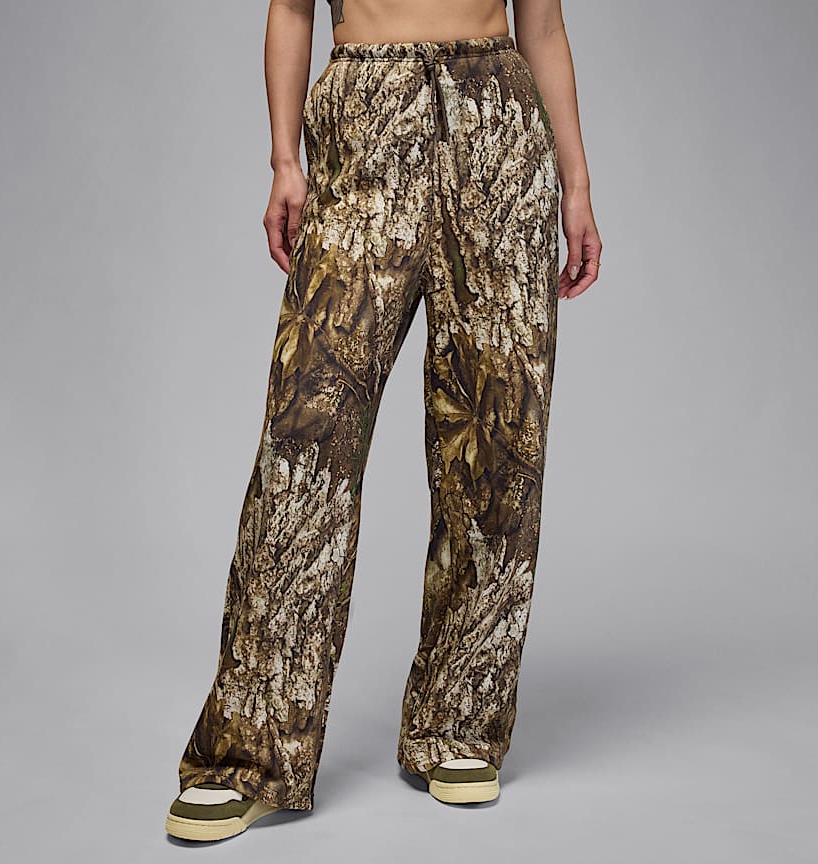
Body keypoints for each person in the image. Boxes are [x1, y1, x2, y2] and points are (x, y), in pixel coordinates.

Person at [166, 0, 601, 842]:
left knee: (498, 437)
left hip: (497, 125)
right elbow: (291, 8)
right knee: (306, 440)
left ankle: (458, 721)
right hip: (366, 118)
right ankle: (246, 754)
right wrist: (284, 158)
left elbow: (542, 24)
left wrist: (575, 184)